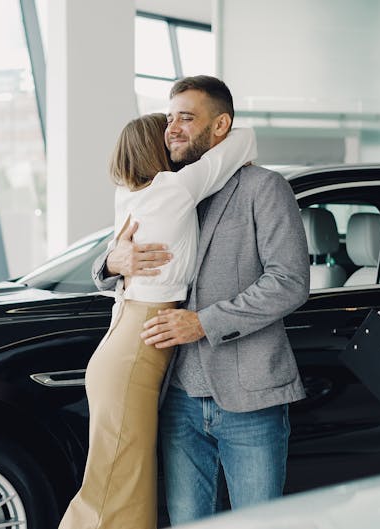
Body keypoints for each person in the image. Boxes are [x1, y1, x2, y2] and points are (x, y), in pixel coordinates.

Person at [92, 75, 309, 524]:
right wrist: (112, 262)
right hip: (179, 396)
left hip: (250, 398)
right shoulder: (165, 186)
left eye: (186, 118)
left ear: (220, 126)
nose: (172, 127)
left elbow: (289, 281)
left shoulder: (263, 188)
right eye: (169, 117)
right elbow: (118, 256)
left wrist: (204, 322)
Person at [59, 113, 256, 528]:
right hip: (135, 352)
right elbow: (244, 139)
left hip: (124, 341)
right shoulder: (173, 188)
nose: (175, 137)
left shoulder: (128, 195)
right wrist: (204, 131)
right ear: (157, 148)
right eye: (167, 134)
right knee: (117, 484)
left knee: (118, 479)